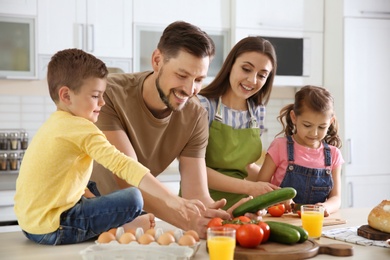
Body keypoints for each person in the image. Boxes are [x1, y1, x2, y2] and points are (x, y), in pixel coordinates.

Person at [14, 48, 205, 245]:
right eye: (96, 96)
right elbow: (123, 165)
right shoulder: (83, 129)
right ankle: (123, 226)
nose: (103, 102)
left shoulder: (54, 124)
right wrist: (172, 199)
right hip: (55, 228)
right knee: (134, 198)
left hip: (32, 227)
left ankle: (121, 224)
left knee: (86, 183)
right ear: (67, 96)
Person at [90, 21, 236, 238]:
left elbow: (195, 193)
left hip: (136, 222)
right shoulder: (108, 94)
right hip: (87, 212)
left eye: (199, 79)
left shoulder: (196, 116)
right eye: (182, 75)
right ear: (157, 60)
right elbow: (127, 178)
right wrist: (186, 219)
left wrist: (218, 216)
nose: (190, 89)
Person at [197, 36, 280, 210]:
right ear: (231, 65)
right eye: (246, 69)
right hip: (202, 206)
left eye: (262, 75)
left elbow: (246, 166)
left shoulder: (257, 111)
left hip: (243, 207)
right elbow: (194, 170)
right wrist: (251, 187)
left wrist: (277, 187)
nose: (252, 80)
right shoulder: (203, 105)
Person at [257, 85, 344, 216]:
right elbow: (260, 186)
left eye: (322, 127)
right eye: (307, 125)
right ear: (294, 117)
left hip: (314, 221)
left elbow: (336, 198)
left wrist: (326, 207)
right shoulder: (279, 146)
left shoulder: (333, 154)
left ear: (330, 122)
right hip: (281, 220)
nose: (314, 133)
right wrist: (279, 197)